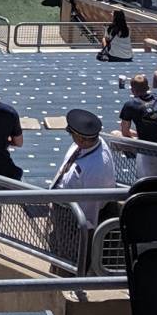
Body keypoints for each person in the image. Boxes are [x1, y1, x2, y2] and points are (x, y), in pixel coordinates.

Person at [48, 109, 119, 272]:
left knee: (71, 257)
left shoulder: (96, 167)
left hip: (74, 218)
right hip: (62, 210)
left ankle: (69, 283)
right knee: (58, 250)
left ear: (81, 138)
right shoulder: (84, 145)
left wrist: (80, 231)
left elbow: (89, 213)